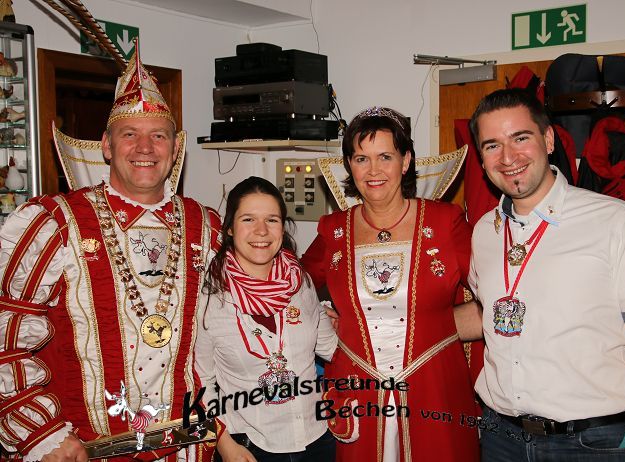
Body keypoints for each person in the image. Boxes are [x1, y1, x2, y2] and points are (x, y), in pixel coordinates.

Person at [0, 45, 223, 462]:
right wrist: (42, 434)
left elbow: (232, 325)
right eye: (130, 134)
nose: (145, 147)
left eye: (159, 135)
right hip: (86, 449)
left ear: (176, 148)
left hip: (186, 446)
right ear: (106, 145)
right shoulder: (56, 223)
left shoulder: (206, 225)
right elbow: (6, 333)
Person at [468, 88, 625, 461]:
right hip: (501, 437)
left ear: (548, 140)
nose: (508, 157)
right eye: (492, 145)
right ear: (481, 158)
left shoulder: (617, 222)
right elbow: (489, 312)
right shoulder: (484, 232)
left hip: (593, 442)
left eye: (520, 138)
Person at [301, 107, 481, 462]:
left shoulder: (445, 222)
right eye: (361, 159)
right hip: (359, 394)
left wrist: (445, 326)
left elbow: (497, 290)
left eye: (385, 156)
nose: (374, 170)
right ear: (349, 166)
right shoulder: (333, 230)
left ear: (406, 161)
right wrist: (320, 316)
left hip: (434, 389)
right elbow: (293, 285)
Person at [194, 176, 338, 462]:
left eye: (272, 220)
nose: (261, 230)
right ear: (230, 228)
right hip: (250, 447)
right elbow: (200, 381)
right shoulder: (208, 299)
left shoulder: (301, 284)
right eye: (248, 219)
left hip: (318, 439)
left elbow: (331, 347)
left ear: (282, 228)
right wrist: (224, 444)